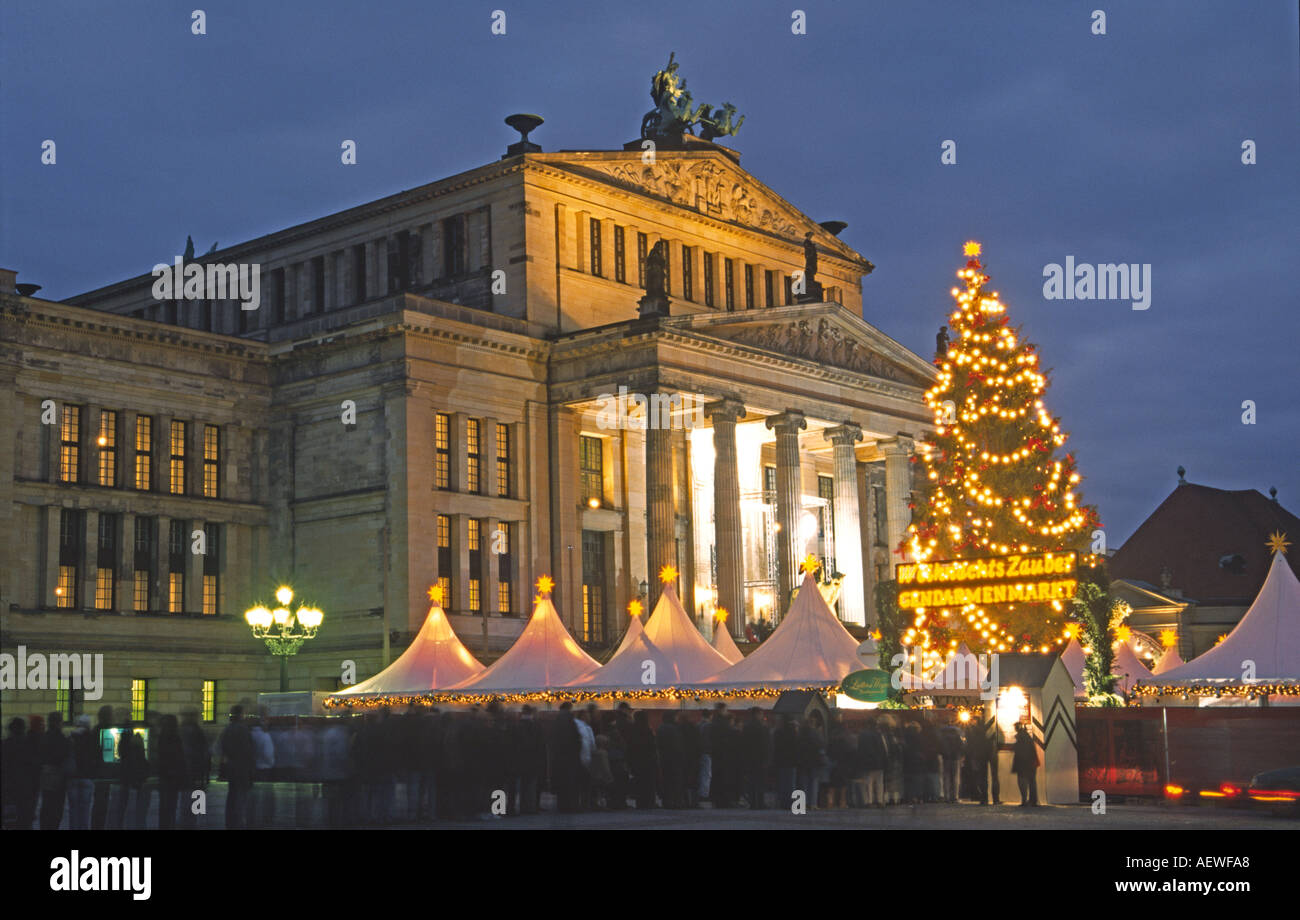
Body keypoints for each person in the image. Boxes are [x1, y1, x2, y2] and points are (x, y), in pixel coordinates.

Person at [217, 706, 254, 829]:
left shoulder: (227, 729)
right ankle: (238, 822)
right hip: (242, 767)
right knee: (240, 796)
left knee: (232, 795)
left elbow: (222, 747)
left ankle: (230, 821)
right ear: (241, 714)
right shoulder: (243, 729)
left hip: (231, 766)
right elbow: (248, 750)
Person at [2, 718, 38, 829]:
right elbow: (35, 770)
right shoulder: (30, 745)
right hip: (27, 791)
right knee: (25, 822)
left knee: (10, 822)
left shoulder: (5, 745)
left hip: (9, 790)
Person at [38, 712, 71, 830]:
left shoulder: (44, 736)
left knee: (47, 805)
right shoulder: (61, 738)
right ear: (59, 722)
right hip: (58, 776)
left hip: (46, 775)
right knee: (56, 808)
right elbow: (64, 755)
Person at [179, 709, 211, 829]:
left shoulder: (181, 730)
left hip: (185, 770)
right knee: (197, 796)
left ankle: (186, 821)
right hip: (197, 769)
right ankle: (196, 821)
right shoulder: (198, 731)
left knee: (185, 797)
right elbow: (204, 751)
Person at [66, 715, 99, 830]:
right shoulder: (92, 737)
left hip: (73, 777)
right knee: (85, 810)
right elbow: (97, 756)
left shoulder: (71, 736)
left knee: (73, 809)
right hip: (87, 777)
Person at [513, 705, 545, 815]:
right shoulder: (535, 725)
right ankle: (530, 807)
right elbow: (539, 744)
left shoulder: (518, 726)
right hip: (533, 759)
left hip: (521, 760)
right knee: (531, 784)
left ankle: (523, 807)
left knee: (523, 785)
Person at [156, 714, 186, 830]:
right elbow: (179, 757)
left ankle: (165, 825)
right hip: (173, 775)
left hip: (165, 775)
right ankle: (169, 824)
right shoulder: (175, 737)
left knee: (164, 805)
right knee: (171, 804)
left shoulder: (162, 736)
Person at [626, 710, 659, 809]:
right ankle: (649, 802)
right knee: (649, 783)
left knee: (639, 783)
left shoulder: (632, 730)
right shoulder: (648, 730)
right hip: (648, 761)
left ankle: (640, 802)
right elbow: (652, 746)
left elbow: (630, 746)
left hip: (637, 761)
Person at [741, 708, 770, 810]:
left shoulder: (747, 726)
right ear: (758, 714)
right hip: (760, 758)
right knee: (760, 782)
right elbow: (766, 744)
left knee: (752, 782)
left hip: (749, 758)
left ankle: (753, 803)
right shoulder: (762, 727)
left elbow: (743, 744)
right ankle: (760, 802)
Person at [656, 711, 685, 808]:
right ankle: (676, 802)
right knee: (675, 780)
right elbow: (678, 744)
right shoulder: (674, 728)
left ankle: (667, 801)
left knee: (666, 781)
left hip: (664, 757)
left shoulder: (660, 728)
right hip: (674, 758)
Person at [857, 718, 886, 807]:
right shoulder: (879, 734)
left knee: (868, 783)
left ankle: (868, 801)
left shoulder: (862, 735)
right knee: (879, 782)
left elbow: (860, 749)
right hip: (879, 762)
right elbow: (883, 748)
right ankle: (880, 800)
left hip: (867, 762)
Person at [772, 714, 799, 810]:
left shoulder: (778, 732)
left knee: (782, 783)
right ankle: (790, 803)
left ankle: (783, 802)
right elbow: (796, 747)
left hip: (780, 761)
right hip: (791, 761)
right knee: (790, 783)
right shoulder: (793, 733)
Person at [964, 720, 992, 805]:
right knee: (984, 778)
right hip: (983, 759)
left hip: (976, 758)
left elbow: (970, 747)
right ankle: (984, 797)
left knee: (977, 778)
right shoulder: (985, 738)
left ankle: (980, 796)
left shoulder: (974, 738)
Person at [1012, 723, 1040, 807]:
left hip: (1024, 764)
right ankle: (1033, 800)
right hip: (1031, 763)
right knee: (1032, 782)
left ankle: (1025, 800)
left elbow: (1020, 751)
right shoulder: (1027, 737)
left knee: (1022, 782)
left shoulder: (1021, 738)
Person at [939, 720, 965, 803]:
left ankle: (946, 796)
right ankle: (954, 797)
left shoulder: (942, 733)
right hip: (955, 757)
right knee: (955, 777)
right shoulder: (958, 733)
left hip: (945, 757)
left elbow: (939, 745)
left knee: (946, 777)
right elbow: (962, 745)